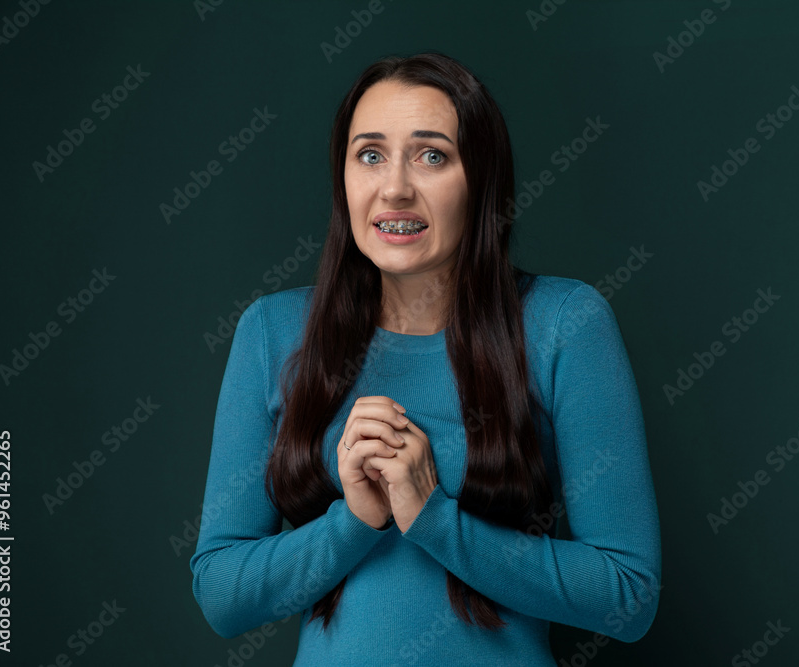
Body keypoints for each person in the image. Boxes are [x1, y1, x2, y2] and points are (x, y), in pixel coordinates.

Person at [190, 51, 661, 666]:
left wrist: (435, 518)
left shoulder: (563, 324)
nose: (395, 188)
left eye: (432, 155)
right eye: (370, 154)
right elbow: (222, 596)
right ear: (344, 178)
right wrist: (353, 520)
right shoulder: (274, 333)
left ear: (480, 179)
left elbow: (628, 594)